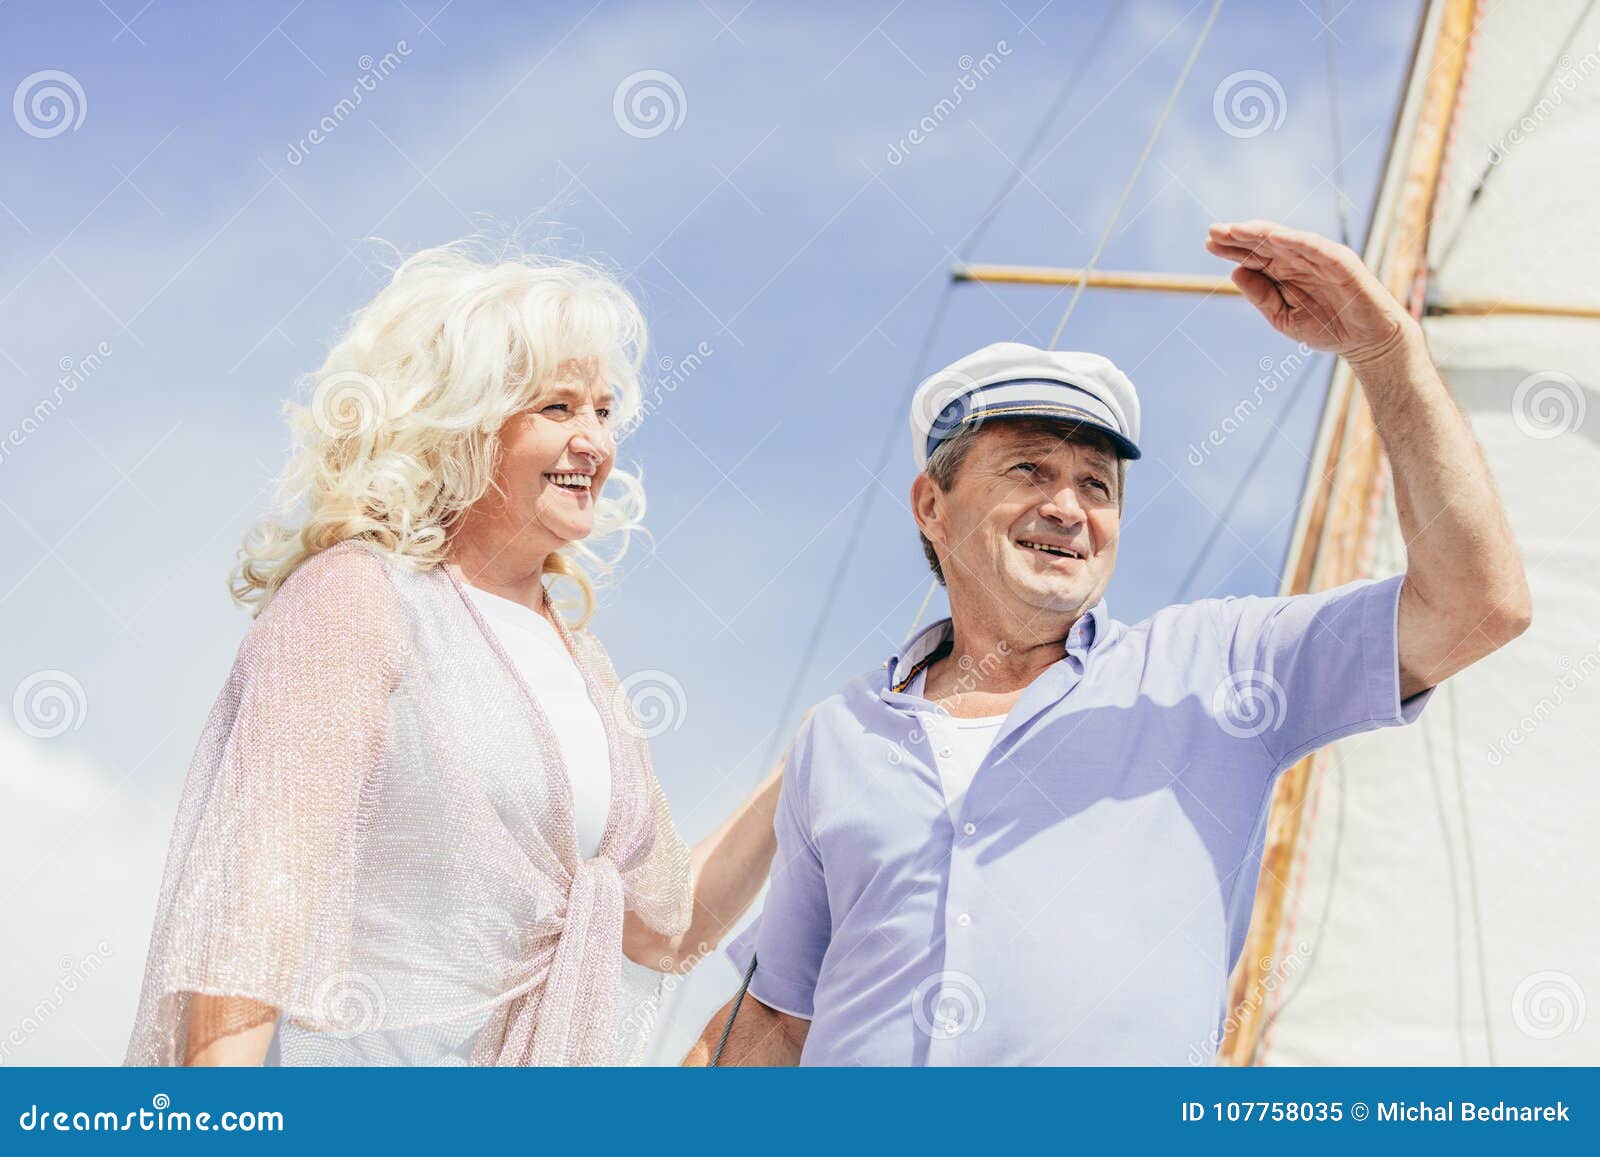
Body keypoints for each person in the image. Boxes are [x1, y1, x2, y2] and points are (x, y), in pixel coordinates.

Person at [686, 220, 1530, 1065]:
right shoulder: (840, 735)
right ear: (931, 506)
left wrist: (1386, 352)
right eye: (1029, 470)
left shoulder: (1220, 669)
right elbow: (775, 1020)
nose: (1068, 507)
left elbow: (1476, 605)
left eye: (1097, 484)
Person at [125, 242, 780, 1066]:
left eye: (603, 412)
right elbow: (258, 909)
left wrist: (808, 767)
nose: (594, 443)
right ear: (465, 422)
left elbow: (664, 928)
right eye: (557, 408)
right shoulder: (358, 598)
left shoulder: (584, 664)